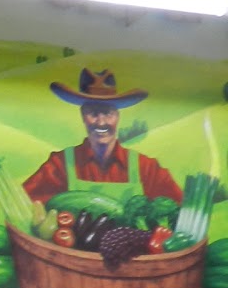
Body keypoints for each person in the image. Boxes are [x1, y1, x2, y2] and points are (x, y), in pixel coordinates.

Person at [22, 69, 184, 207]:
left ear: (117, 117)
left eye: (108, 113)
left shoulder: (146, 168)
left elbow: (178, 206)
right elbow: (24, 203)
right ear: (83, 116)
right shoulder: (60, 164)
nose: (101, 122)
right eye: (93, 113)